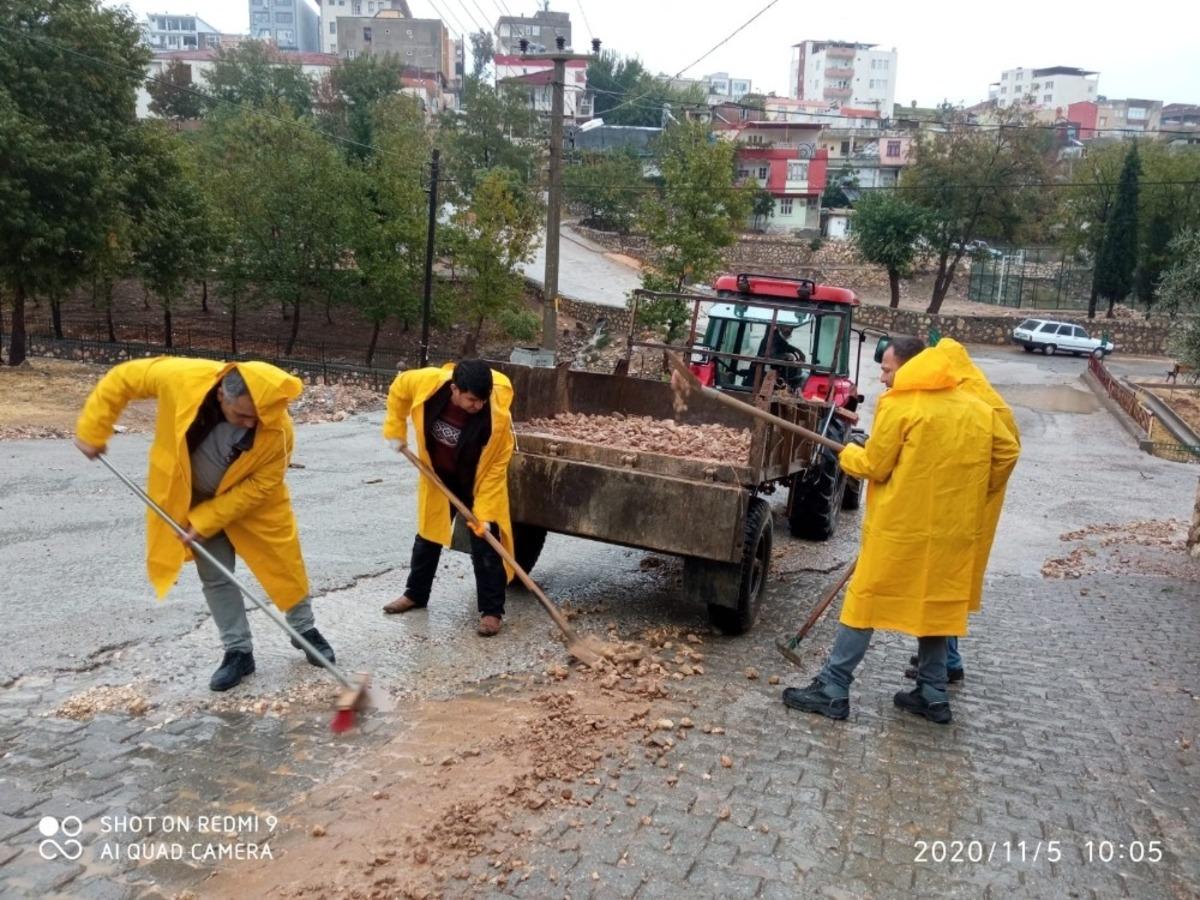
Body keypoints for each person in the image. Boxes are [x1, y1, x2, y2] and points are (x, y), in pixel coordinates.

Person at [781, 336, 1020, 724]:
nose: (884, 377)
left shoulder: (902, 406)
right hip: (952, 532)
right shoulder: (977, 409)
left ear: (910, 367)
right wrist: (975, 494)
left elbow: (875, 466)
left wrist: (848, 454)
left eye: (888, 369)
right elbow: (1008, 452)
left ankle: (833, 687)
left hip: (900, 530)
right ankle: (932, 694)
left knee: (865, 600)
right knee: (936, 606)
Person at [75, 359, 335, 692]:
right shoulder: (180, 378)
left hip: (256, 504)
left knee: (285, 564)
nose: (250, 423)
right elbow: (121, 379)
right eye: (242, 415)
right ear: (222, 393)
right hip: (193, 497)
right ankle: (238, 651)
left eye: (256, 417)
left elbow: (262, 485)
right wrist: (93, 429)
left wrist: (209, 519)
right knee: (216, 575)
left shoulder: (277, 426)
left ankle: (304, 630)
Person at [902, 338, 1022, 684]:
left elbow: (1007, 452)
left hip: (965, 507)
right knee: (948, 581)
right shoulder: (980, 393)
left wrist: (978, 486)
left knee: (945, 582)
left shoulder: (973, 400)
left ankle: (947, 662)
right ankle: (945, 658)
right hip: (966, 503)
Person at [381, 360, 515, 637]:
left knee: (486, 543)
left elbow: (496, 468)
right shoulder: (427, 384)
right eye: (471, 400)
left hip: (476, 481)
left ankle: (491, 612)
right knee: (429, 534)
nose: (478, 406)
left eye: (482, 400)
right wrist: (395, 430)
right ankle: (415, 594)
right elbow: (398, 390)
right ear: (454, 389)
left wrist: (486, 515)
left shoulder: (496, 417)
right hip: (438, 475)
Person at [754, 323, 807, 390]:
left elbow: (785, 346)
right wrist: (786, 356)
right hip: (762, 376)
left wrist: (798, 351)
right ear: (779, 326)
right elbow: (770, 356)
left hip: (774, 374)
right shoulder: (772, 337)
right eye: (786, 326)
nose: (789, 330)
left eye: (791, 328)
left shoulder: (779, 338)